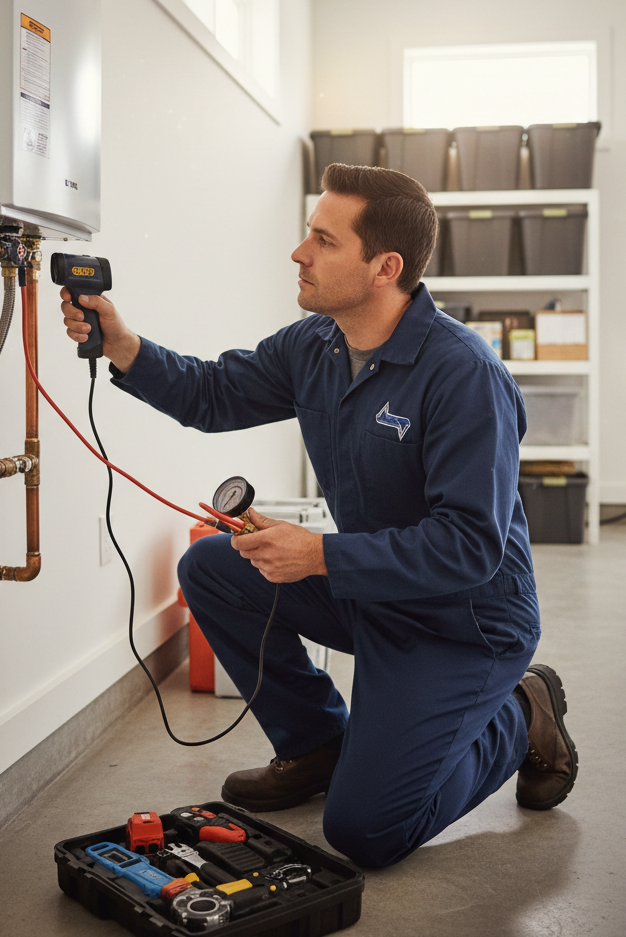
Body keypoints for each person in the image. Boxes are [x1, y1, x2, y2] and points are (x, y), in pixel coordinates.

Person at [59, 164, 577, 868]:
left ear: (382, 268)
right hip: (373, 592)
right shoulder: (319, 345)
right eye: (308, 233)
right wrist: (122, 344)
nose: (299, 252)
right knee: (213, 566)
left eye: (323, 240)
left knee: (365, 832)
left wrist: (322, 556)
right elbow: (213, 394)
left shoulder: (463, 375)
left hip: (462, 624)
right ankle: (316, 745)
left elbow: (469, 547)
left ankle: (522, 715)